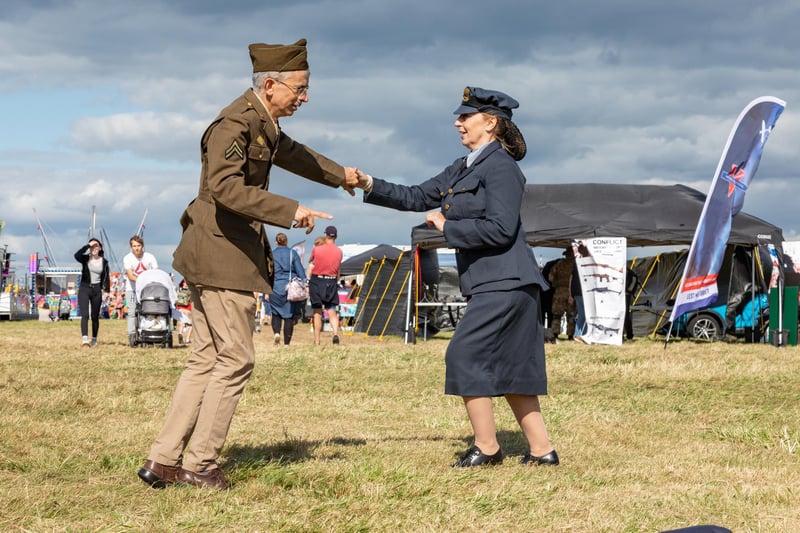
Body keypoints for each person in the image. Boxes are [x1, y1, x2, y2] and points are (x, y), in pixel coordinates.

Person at [137, 38, 359, 491]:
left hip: (221, 251)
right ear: (271, 84)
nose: (305, 97)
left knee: (205, 359)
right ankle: (199, 464)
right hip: (221, 255)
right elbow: (223, 187)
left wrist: (342, 176)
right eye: (299, 88)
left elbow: (295, 154)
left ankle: (162, 461)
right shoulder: (235, 123)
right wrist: (287, 210)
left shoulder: (262, 121)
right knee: (235, 358)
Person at [354, 86, 558, 468]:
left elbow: (500, 228)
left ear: (491, 122)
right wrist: (368, 184)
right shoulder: (463, 167)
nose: (457, 122)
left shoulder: (502, 168)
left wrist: (448, 226)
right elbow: (416, 195)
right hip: (494, 281)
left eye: (465, 116)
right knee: (514, 365)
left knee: (463, 355)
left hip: (506, 281)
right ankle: (542, 451)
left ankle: (489, 448)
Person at [308, 226, 343, 345]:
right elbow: (338, 268)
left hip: (317, 280)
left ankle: (317, 340)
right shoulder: (339, 252)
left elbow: (311, 262)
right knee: (332, 310)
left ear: (325, 235)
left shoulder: (317, 249)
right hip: (332, 281)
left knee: (317, 312)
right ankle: (335, 333)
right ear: (336, 236)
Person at [269, 233, 306, 345]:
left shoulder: (272, 254)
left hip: (275, 286)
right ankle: (286, 343)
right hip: (289, 288)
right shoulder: (292, 253)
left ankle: (276, 333)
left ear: (276, 242)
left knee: (275, 312)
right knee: (288, 315)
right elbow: (300, 271)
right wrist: (304, 282)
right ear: (286, 241)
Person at [73, 238, 110, 347]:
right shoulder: (85, 259)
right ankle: (84, 339)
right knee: (85, 315)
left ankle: (94, 339)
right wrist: (87, 245)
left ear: (100, 248)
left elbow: (106, 277)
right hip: (84, 288)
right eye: (92, 246)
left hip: (97, 290)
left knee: (95, 316)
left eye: (96, 246)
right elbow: (76, 255)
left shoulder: (104, 262)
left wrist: (106, 290)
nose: (94, 248)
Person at [123, 235, 158, 345]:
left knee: (148, 311)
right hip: (132, 289)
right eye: (134, 246)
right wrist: (140, 280)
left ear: (142, 246)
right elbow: (130, 275)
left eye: (138, 245)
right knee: (132, 312)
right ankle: (131, 335)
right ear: (131, 247)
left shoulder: (150, 257)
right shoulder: (127, 258)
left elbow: (155, 271)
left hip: (147, 289)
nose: (136, 248)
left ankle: (148, 332)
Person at [549, 246, 576, 340]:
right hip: (570, 293)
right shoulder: (575, 265)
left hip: (559, 292)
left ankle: (555, 334)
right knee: (571, 315)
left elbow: (550, 277)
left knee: (556, 315)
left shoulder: (559, 264)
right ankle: (570, 335)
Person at [175, 278, 192, 345]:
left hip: (180, 307)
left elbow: (180, 284)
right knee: (191, 324)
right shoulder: (190, 289)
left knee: (182, 322)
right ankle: (187, 339)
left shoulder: (181, 287)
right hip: (188, 308)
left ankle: (180, 333)